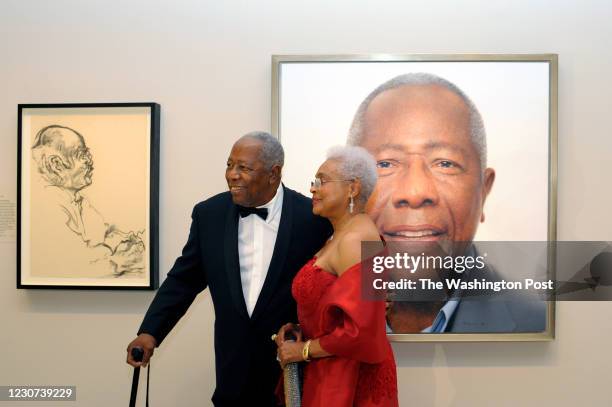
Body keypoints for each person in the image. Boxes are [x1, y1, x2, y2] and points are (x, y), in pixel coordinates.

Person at [126, 132, 332, 406]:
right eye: (229, 165)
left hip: (294, 375)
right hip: (232, 373)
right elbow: (183, 280)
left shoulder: (313, 217)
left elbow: (350, 262)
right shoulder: (209, 214)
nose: (232, 175)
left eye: (243, 168)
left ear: (274, 173)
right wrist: (150, 331)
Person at [347, 72, 545, 333]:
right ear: (349, 192)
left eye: (445, 163)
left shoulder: (536, 324)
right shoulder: (301, 319)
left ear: (483, 191)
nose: (415, 192)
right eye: (384, 164)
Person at [275, 146, 398, 407]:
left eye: (323, 181)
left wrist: (303, 350)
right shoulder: (342, 235)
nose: (313, 189)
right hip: (333, 370)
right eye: (314, 181)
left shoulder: (356, 240)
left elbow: (360, 332)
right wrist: (302, 330)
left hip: (350, 381)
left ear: (352, 188)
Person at [30, 125, 144, 277]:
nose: (89, 161)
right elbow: (75, 264)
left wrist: (126, 241)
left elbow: (107, 233)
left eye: (87, 154)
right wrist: (121, 259)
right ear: (56, 164)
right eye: (81, 155)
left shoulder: (81, 201)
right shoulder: (47, 205)